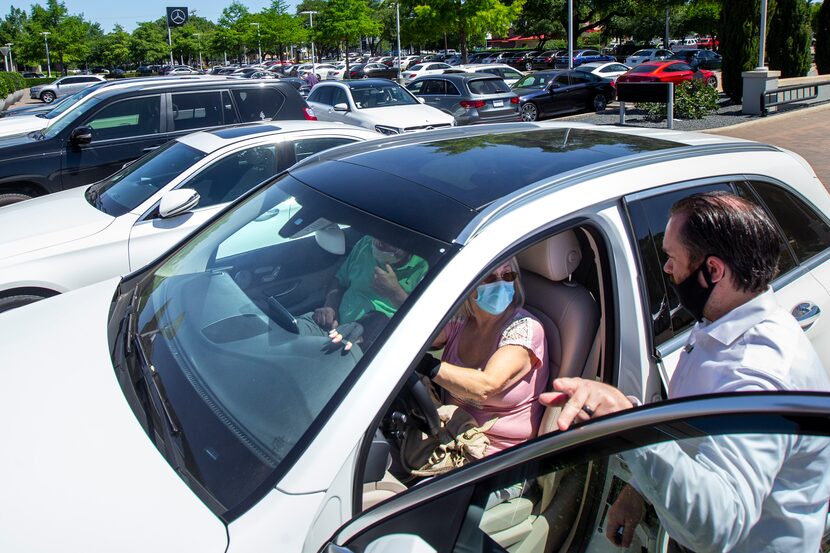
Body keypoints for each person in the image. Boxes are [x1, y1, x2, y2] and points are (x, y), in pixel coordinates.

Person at [540, 191, 830, 552]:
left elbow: (719, 525)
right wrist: (638, 493)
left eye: (672, 258)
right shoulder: (721, 315)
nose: (666, 269)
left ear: (712, 271)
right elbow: (687, 429)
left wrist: (626, 422)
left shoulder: (760, 376)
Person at [415, 258, 548, 455]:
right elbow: (418, 336)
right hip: (449, 439)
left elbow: (485, 386)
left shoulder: (526, 329)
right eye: (489, 277)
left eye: (508, 275)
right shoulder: (461, 320)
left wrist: (427, 365)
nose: (501, 284)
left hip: (495, 460)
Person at [306, 235, 428, 350]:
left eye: (387, 242)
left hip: (369, 340)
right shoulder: (366, 243)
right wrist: (330, 306)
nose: (379, 242)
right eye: (378, 236)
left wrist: (395, 292)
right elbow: (339, 280)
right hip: (332, 323)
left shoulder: (424, 267)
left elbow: (424, 324)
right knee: (294, 330)